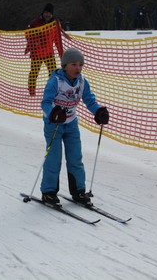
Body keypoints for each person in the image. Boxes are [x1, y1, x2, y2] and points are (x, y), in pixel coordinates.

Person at [40, 48, 109, 205]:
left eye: (80, 64)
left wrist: (98, 111)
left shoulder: (82, 82)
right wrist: (52, 113)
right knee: (54, 158)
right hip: (54, 124)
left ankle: (78, 191)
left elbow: (89, 100)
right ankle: (49, 192)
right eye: (73, 64)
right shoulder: (56, 81)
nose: (78, 68)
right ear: (64, 66)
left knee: (75, 158)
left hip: (71, 123)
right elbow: (45, 102)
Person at [25, 3, 63, 96]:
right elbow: (28, 34)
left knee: (53, 73)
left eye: (49, 13)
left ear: (52, 14)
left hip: (49, 53)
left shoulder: (54, 24)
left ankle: (52, 90)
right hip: (36, 53)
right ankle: (31, 91)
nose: (48, 15)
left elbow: (57, 40)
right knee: (34, 73)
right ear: (43, 12)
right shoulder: (35, 23)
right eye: (46, 12)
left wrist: (61, 53)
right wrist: (34, 41)